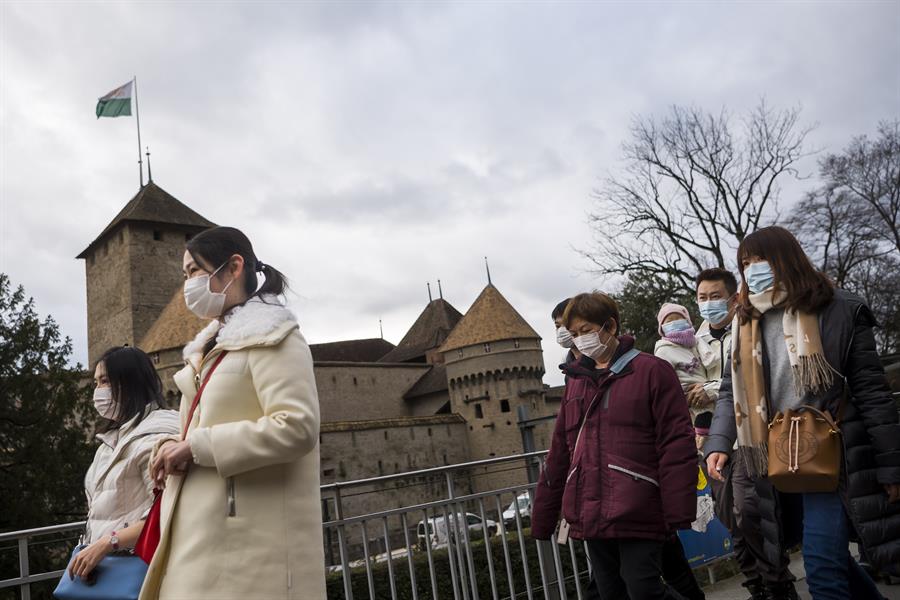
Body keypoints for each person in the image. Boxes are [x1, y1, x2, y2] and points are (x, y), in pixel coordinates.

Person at [705, 226, 900, 600]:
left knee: (822, 570)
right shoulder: (744, 321)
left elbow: (873, 394)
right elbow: (732, 392)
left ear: (785, 258)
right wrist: (719, 442)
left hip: (830, 455)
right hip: (773, 458)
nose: (751, 270)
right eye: (744, 263)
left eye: (758, 259)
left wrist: (891, 465)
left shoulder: (839, 309)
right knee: (832, 562)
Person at [139, 226, 326, 600]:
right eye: (185, 273)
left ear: (234, 267)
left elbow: (297, 426)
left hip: (248, 548)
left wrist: (196, 448)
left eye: (194, 271)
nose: (188, 283)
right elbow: (198, 430)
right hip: (201, 536)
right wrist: (171, 447)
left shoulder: (276, 338)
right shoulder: (211, 351)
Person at [532, 292, 698, 599]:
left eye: (586, 331)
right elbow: (561, 449)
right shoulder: (577, 381)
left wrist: (677, 509)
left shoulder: (651, 370)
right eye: (576, 334)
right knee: (610, 592)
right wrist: (544, 513)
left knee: (643, 588)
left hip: (640, 503)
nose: (580, 340)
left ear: (609, 326)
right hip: (592, 507)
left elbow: (675, 442)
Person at [695, 268, 797, 600]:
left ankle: (777, 582)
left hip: (751, 438)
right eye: (702, 298)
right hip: (713, 439)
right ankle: (758, 585)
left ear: (733, 297)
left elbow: (739, 385)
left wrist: (709, 390)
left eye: (715, 296)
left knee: (748, 511)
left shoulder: (750, 327)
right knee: (732, 521)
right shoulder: (691, 342)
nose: (708, 304)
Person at [67, 347, 179, 581]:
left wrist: (109, 542)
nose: (98, 391)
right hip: (106, 565)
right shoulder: (109, 443)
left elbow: (170, 514)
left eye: (105, 381)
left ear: (130, 382)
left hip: (138, 568)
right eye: (96, 383)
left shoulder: (156, 438)